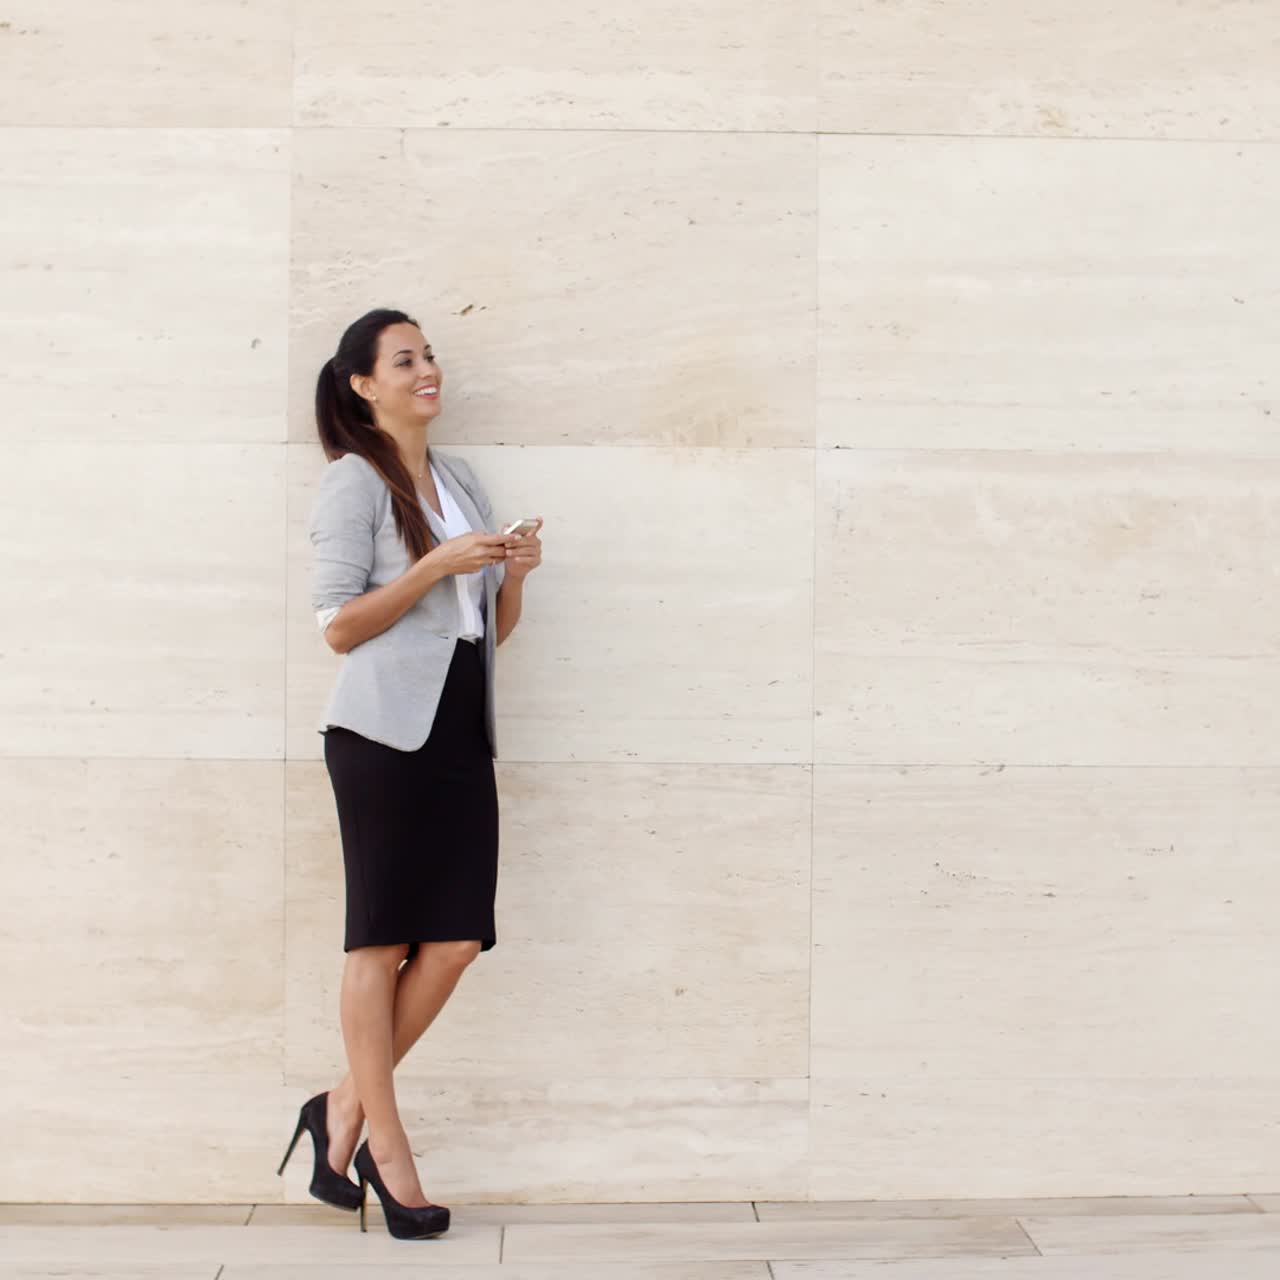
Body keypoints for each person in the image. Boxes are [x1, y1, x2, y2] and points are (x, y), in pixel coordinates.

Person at [276, 307, 543, 1240]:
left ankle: (341, 1106)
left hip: (462, 730)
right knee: (379, 942)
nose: (428, 368)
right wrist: (434, 564)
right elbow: (338, 627)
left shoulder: (460, 480)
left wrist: (511, 575)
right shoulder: (352, 483)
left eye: (430, 354)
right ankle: (388, 1150)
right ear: (362, 384)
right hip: (382, 737)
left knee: (458, 939)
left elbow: (483, 635)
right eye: (406, 359)